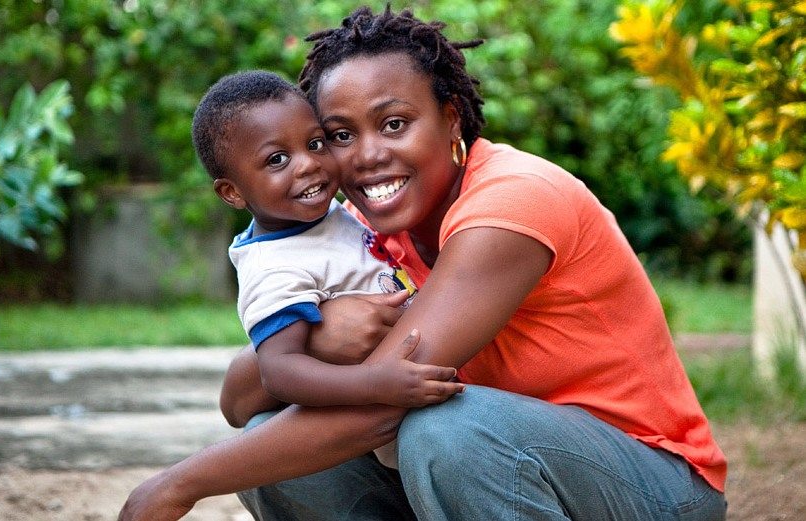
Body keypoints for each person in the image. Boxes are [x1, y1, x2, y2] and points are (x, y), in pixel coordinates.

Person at [120, 6, 727, 521]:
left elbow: (384, 403)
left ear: (452, 118)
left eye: (394, 124)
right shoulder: (372, 228)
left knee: (445, 430)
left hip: (650, 483)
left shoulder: (512, 201)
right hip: (505, 470)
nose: (367, 157)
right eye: (338, 135)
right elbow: (239, 401)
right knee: (272, 454)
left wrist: (178, 484)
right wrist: (321, 335)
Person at [191, 69, 464, 466]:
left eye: (316, 144)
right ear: (232, 192)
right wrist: (375, 384)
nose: (308, 165)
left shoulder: (332, 215)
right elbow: (280, 372)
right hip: (395, 418)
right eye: (277, 159)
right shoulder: (273, 267)